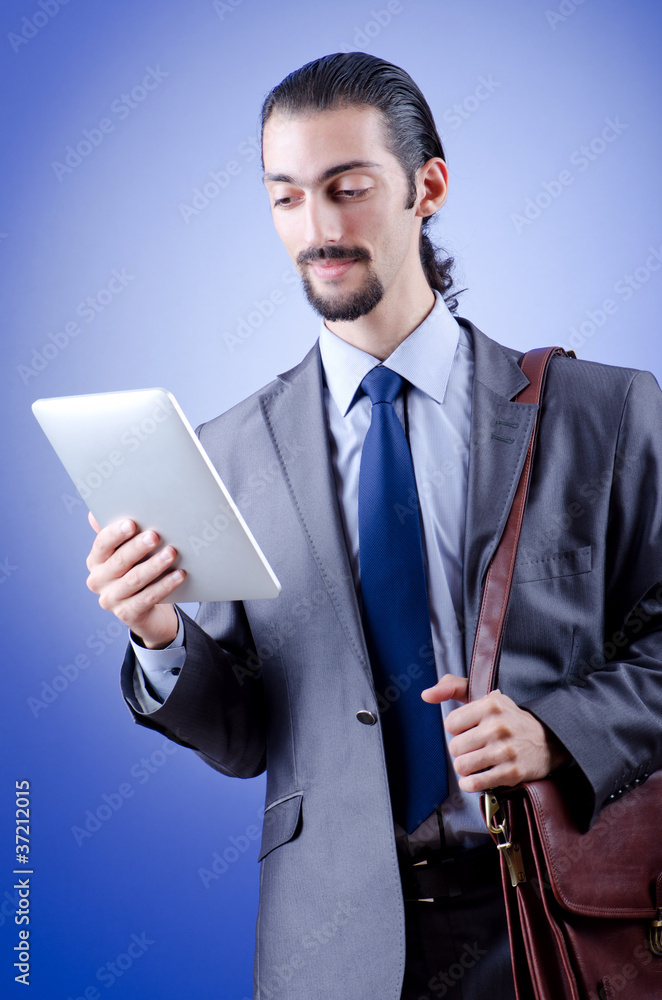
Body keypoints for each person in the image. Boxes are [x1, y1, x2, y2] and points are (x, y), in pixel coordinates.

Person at [85, 52, 662, 1000]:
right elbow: (241, 739)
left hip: (564, 920)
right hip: (333, 947)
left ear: (426, 185)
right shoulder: (228, 453)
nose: (317, 230)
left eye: (346, 189)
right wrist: (156, 638)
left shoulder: (600, 411)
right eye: (286, 199)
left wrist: (558, 732)